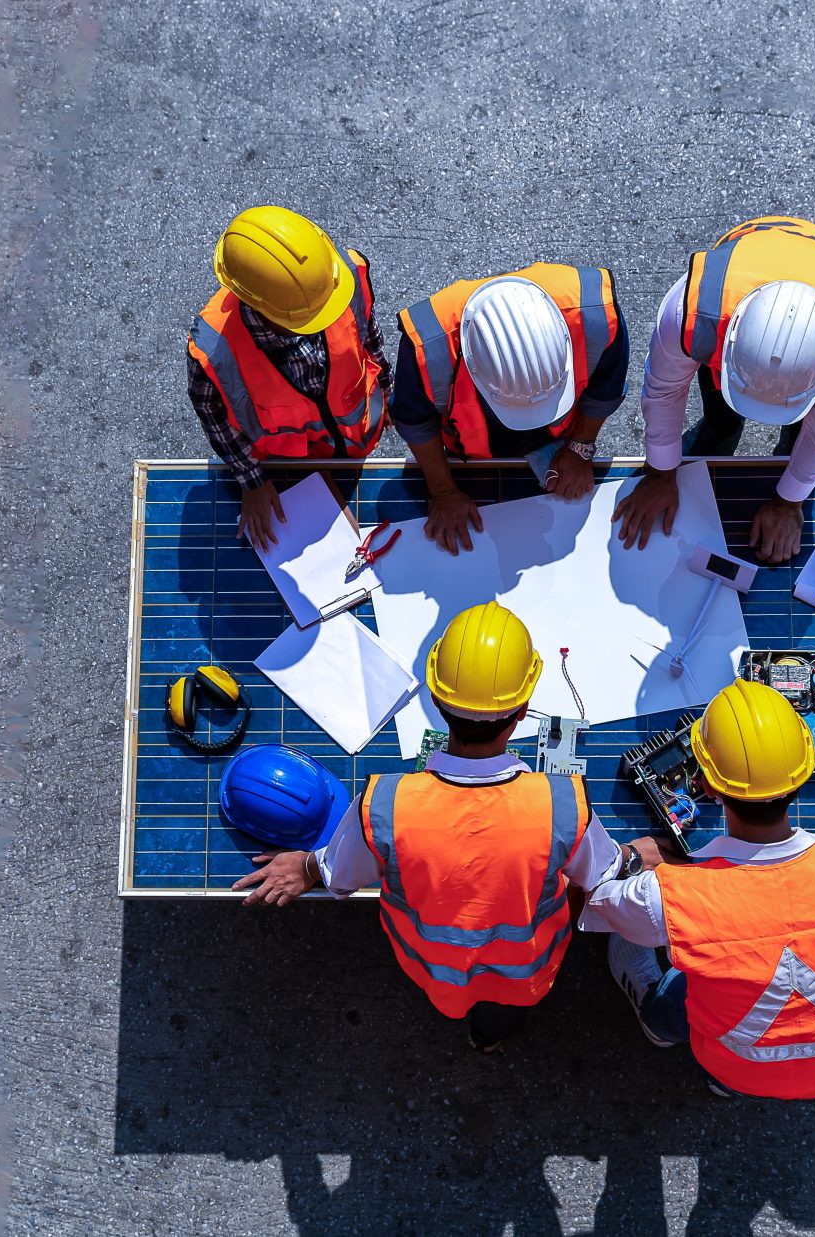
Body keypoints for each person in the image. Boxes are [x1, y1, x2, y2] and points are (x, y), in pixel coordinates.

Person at [232, 602, 615, 1051]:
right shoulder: (564, 807)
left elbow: (341, 873)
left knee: (453, 1000)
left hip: (432, 966)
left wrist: (306, 868)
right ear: (523, 709)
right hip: (524, 971)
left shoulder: (384, 805)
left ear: (435, 700)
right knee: (502, 1014)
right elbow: (602, 877)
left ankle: (473, 1025)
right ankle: (487, 1039)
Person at [583, 681, 815, 1099]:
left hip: (734, 1061)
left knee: (673, 986)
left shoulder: (670, 899)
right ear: (805, 774)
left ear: (708, 788)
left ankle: (659, 1020)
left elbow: (601, 903)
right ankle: (726, 1084)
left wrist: (634, 861)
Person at [612, 216, 815, 564]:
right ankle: (719, 435)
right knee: (723, 419)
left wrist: (789, 502)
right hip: (759, 239)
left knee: (800, 441)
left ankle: (779, 454)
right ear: (731, 341)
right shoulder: (692, 311)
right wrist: (661, 472)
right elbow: (664, 391)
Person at [186, 206, 389, 551]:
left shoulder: (343, 274)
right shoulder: (214, 352)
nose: (326, 316)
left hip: (357, 444)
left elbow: (368, 333)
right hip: (284, 471)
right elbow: (213, 416)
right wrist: (253, 481)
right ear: (258, 306)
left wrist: (388, 388)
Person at [392, 263, 628, 552]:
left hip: (561, 437)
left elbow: (605, 389)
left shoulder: (595, 315)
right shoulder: (428, 347)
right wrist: (443, 490)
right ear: (472, 365)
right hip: (469, 454)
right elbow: (416, 422)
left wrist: (580, 447)